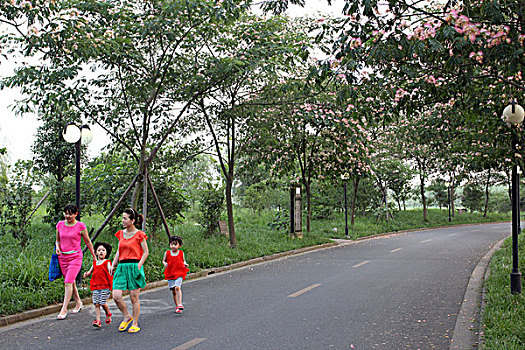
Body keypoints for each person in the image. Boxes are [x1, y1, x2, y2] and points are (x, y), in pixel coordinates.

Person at [109, 208, 149, 334]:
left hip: (134, 266)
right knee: (116, 295)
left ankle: (135, 323)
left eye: (125, 218)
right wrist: (113, 265)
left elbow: (146, 252)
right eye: (122, 218)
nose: (123, 220)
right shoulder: (120, 233)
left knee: (134, 297)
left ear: (132, 220)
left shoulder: (139, 235)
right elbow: (118, 251)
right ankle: (126, 316)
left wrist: (139, 265)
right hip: (122, 267)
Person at [55, 204, 96, 320]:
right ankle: (78, 302)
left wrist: (94, 256)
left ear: (76, 214)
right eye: (66, 213)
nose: (68, 216)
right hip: (63, 257)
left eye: (70, 214)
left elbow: (88, 242)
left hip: (75, 257)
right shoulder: (60, 224)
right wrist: (57, 247)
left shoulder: (80, 226)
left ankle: (64, 309)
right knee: (70, 281)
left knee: (68, 282)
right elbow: (57, 240)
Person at [83, 242, 113, 328]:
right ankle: (98, 321)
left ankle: (108, 313)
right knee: (96, 303)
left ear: (106, 253)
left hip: (105, 286)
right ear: (96, 252)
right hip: (96, 286)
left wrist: (112, 270)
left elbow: (110, 269)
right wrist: (87, 274)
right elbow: (90, 271)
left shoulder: (107, 262)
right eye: (99, 250)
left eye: (103, 250)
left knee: (102, 303)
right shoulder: (95, 263)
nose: (101, 252)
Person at [162, 235, 190, 314]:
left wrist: (185, 264)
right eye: (171, 244)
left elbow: (183, 260)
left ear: (179, 245)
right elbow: (163, 260)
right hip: (170, 273)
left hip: (179, 272)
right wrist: (165, 264)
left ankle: (180, 303)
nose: (173, 246)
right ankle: (177, 305)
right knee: (173, 291)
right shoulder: (167, 253)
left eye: (175, 244)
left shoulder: (181, 253)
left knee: (178, 287)